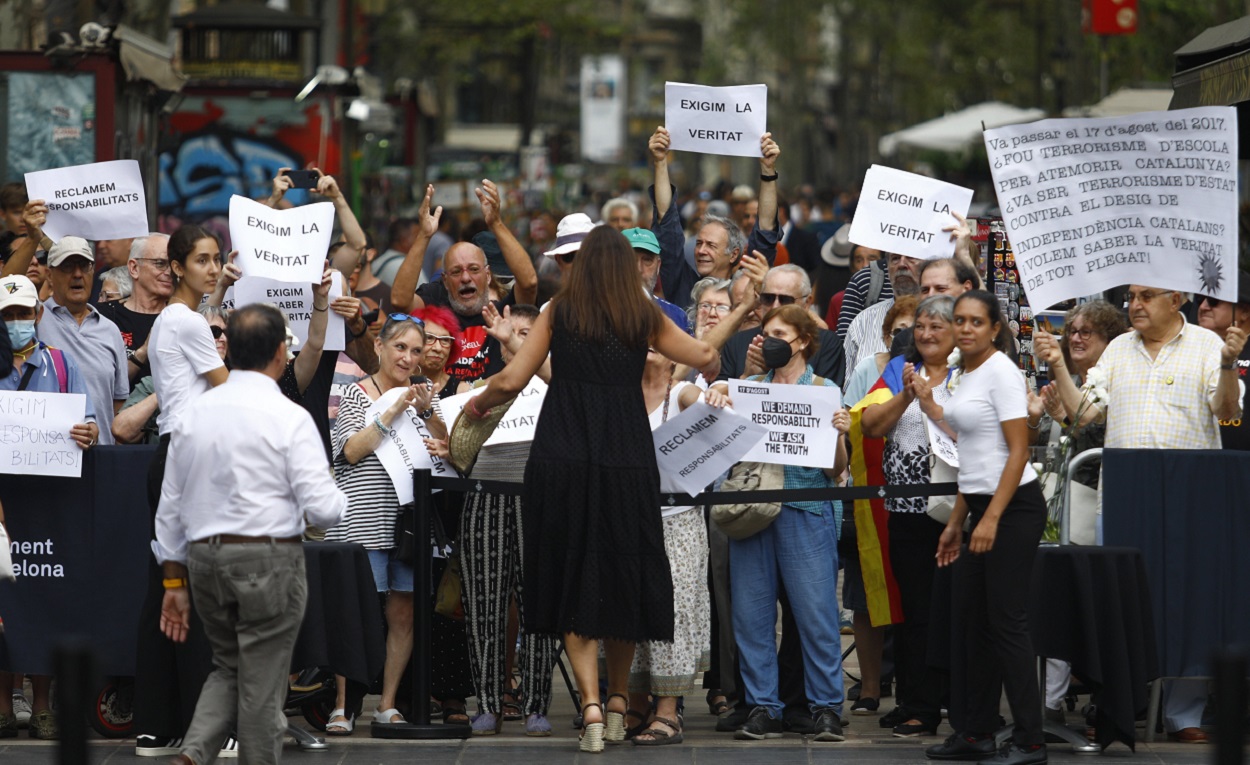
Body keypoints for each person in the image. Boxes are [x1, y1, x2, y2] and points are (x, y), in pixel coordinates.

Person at [461, 226, 720, 753]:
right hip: (626, 456)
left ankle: (593, 706)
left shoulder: (559, 311)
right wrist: (729, 329)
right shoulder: (641, 314)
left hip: (563, 456)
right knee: (624, 568)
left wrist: (478, 404)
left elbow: (513, 379)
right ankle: (622, 699)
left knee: (572, 570)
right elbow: (703, 355)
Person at [1035, 284, 1245, 744]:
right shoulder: (1116, 353)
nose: (1133, 305)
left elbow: (1227, 412)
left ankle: (1182, 713)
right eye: (1131, 296)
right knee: (1123, 602)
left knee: (1191, 600)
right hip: (1126, 498)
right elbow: (1084, 413)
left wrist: (1229, 364)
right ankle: (1120, 706)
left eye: (1147, 296)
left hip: (1193, 499)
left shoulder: (1209, 346)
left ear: (1178, 300)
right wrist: (1056, 364)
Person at [154, 303, 347, 765]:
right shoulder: (288, 416)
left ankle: (192, 754)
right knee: (261, 684)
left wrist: (174, 580)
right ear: (282, 353)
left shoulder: (193, 415)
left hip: (203, 560)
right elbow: (326, 508)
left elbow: (170, 510)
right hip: (268, 560)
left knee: (230, 667)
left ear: (230, 351)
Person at [708, 304, 849, 742]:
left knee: (817, 614)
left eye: (780, 333)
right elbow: (721, 444)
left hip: (806, 511)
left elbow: (836, 470)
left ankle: (826, 706)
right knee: (751, 616)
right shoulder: (747, 388)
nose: (770, 339)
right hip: (753, 510)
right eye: (766, 332)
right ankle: (763, 706)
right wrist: (716, 397)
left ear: (803, 340)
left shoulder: (825, 390)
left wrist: (840, 432)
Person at [927, 291, 1046, 765]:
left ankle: (1030, 740)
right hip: (980, 505)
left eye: (977, 321)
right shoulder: (964, 372)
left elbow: (1017, 452)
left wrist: (991, 518)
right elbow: (972, 456)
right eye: (959, 320)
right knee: (973, 622)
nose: (966, 328)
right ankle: (976, 732)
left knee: (1006, 624)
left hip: (1013, 508)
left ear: (996, 328)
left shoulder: (1002, 372)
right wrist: (958, 521)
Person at [132, 224, 230, 758]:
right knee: (195, 587)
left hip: (177, 455)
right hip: (188, 458)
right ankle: (202, 727)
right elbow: (227, 390)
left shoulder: (176, 319)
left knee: (165, 587)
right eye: (201, 260)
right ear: (176, 267)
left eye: (216, 259)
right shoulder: (188, 321)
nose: (212, 269)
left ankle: (157, 725)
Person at [324, 314, 447, 729]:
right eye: (400, 347)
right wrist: (394, 408)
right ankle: (342, 706)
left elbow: (447, 454)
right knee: (356, 612)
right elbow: (350, 451)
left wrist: (431, 419)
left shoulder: (425, 400)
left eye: (416, 351)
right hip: (362, 519)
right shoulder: (356, 393)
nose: (408, 358)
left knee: (405, 613)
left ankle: (387, 703)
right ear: (379, 347)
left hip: (411, 523)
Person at [0, 275, 100, 740]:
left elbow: (90, 420)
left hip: (48, 504)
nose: (18, 321)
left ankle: (42, 705)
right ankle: (2, 704)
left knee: (40, 599)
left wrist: (88, 432)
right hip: (2, 505)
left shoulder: (60, 364)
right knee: (5, 602)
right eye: (8, 315)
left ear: (38, 315)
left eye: (24, 313)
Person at [858, 295, 957, 737]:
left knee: (950, 612)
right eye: (921, 327)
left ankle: (948, 700)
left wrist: (932, 400)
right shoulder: (899, 368)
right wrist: (907, 394)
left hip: (955, 513)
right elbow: (871, 425)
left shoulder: (969, 373)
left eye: (938, 327)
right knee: (913, 612)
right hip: (905, 511)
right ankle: (918, 702)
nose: (927, 334)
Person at [626, 349, 732, 746]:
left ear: (673, 355)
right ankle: (635, 704)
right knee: (630, 607)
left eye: (656, 341)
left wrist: (719, 389)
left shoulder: (682, 391)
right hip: (628, 517)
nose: (648, 347)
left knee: (675, 608)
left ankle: (668, 711)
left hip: (678, 520)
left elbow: (709, 400)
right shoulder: (620, 393)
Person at [390, 181, 539, 385]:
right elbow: (400, 300)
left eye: (474, 269)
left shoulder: (504, 311)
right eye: (456, 272)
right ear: (445, 279)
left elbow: (529, 283)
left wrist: (496, 223)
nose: (466, 278)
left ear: (488, 276)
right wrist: (424, 235)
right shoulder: (436, 299)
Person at [649, 126, 780, 310]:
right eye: (699, 243)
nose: (701, 251)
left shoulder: (747, 286)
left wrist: (768, 170)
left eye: (711, 245)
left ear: (734, 254)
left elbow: (766, 229)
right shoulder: (682, 284)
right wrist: (660, 162)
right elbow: (666, 220)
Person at [31, 235, 129, 445]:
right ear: (49, 275)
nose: (77, 274)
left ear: (93, 272)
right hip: (46, 457)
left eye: (84, 266)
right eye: (67, 266)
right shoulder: (34, 321)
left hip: (101, 460)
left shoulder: (110, 330)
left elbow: (118, 404)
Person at [97, 234, 172, 390]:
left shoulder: (181, 318)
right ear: (134, 268)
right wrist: (143, 352)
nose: (169, 272)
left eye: (174, 264)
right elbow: (102, 385)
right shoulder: (104, 317)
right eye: (160, 263)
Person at [1195, 272, 1250, 450]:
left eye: (1213, 301)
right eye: (1200, 299)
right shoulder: (1187, 347)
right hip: (1195, 463)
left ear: (1245, 312)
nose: (1203, 307)